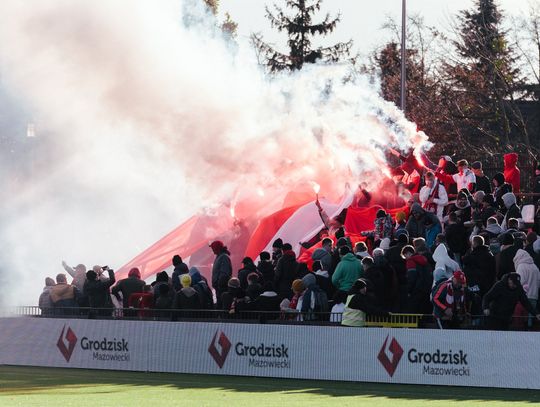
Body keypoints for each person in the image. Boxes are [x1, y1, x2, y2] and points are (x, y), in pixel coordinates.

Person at [401, 245, 432, 314]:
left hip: (416, 289)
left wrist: (409, 290)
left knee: (413, 309)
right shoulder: (423, 259)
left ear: (408, 253)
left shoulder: (410, 261)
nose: (405, 258)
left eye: (405, 255)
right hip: (426, 287)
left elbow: (412, 277)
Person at [513, 249, 540, 328]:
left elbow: (519, 282)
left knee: (522, 317)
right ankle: (529, 330)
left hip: (524, 296)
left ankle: (523, 332)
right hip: (534, 295)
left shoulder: (521, 266)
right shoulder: (534, 267)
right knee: (531, 316)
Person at [210, 240, 232, 308]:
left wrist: (219, 285)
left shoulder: (224, 257)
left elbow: (224, 273)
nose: (212, 250)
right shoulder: (220, 256)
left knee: (222, 306)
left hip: (222, 288)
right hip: (219, 288)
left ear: (217, 248)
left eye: (213, 248)